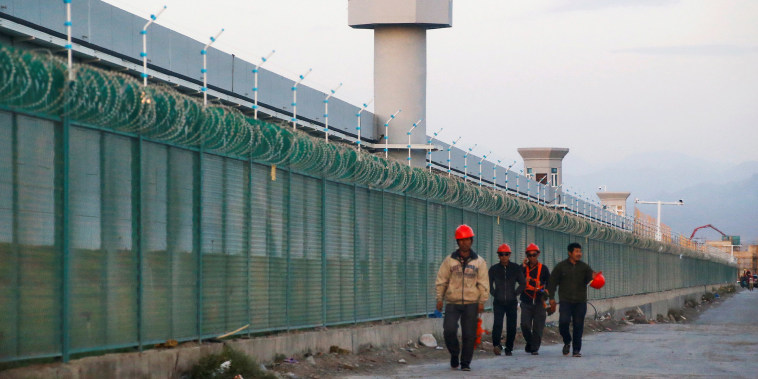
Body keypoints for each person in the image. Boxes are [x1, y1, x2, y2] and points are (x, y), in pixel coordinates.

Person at [435, 224, 489, 371]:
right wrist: (439, 298)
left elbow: (483, 283)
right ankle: (454, 353)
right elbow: (442, 280)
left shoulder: (479, 262)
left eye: (467, 240)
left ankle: (465, 363)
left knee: (469, 335)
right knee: (449, 330)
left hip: (472, 303)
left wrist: (482, 301)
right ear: (457, 242)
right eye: (461, 240)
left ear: (471, 241)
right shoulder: (449, 261)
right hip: (453, 302)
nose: (464, 243)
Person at [547, 242, 598, 358]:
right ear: (570, 253)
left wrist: (595, 278)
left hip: (580, 302)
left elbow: (592, 280)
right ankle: (567, 340)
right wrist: (551, 298)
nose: (579, 254)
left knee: (578, 326)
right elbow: (552, 283)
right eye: (576, 251)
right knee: (563, 323)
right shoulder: (561, 267)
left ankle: (576, 350)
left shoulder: (584, 267)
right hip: (566, 301)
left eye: (580, 251)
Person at [488, 243, 525, 356]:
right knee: (497, 324)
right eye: (501, 254)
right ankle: (496, 345)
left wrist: (515, 293)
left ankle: (509, 348)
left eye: (506, 254)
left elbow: (522, 283)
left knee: (511, 325)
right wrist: (495, 294)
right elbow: (489, 285)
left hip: (511, 302)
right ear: (498, 256)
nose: (504, 257)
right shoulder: (493, 269)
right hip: (498, 302)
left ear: (509, 255)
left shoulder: (515, 268)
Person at [520, 243, 551, 355]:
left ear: (538, 255)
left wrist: (546, 292)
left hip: (539, 301)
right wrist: (522, 267)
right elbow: (516, 278)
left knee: (538, 327)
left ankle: (534, 348)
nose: (532, 257)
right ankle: (530, 342)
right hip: (526, 301)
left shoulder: (543, 269)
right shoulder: (523, 268)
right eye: (530, 255)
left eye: (534, 255)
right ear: (527, 256)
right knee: (525, 325)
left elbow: (550, 283)